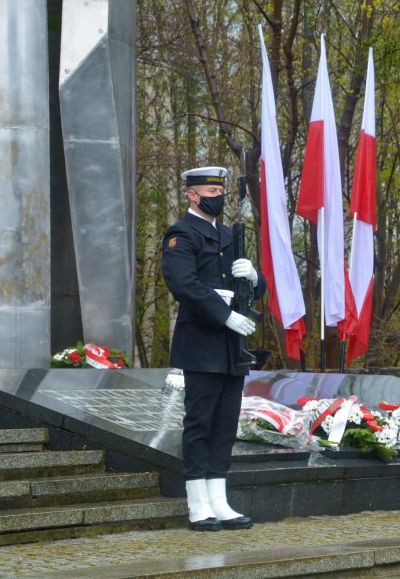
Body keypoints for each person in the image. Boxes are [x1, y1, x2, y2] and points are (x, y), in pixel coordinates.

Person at [161, 166, 264, 530]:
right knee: (200, 422)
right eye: (210, 190)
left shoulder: (227, 234)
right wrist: (225, 316)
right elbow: (184, 284)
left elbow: (250, 289)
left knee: (224, 424)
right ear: (192, 194)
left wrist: (254, 276)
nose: (217, 196)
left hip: (231, 344)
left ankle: (219, 499)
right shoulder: (181, 234)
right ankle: (196, 503)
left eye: (220, 191)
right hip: (203, 340)